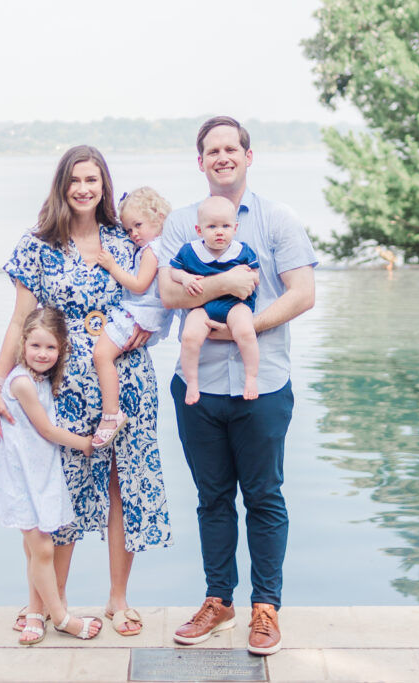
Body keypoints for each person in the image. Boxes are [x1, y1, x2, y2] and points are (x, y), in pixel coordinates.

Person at [0, 146, 172, 639]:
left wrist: (152, 330)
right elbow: (20, 321)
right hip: (64, 386)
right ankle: (53, 602)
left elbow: (161, 292)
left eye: (92, 179)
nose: (84, 188)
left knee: (122, 487)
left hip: (126, 380)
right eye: (75, 179)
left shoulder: (125, 237)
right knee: (59, 489)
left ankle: (118, 599)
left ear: (104, 185)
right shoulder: (37, 245)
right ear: (62, 185)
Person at [156, 116, 317, 656]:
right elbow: (167, 295)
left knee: (265, 496)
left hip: (262, 383)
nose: (222, 156)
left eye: (232, 148)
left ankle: (265, 607)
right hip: (197, 387)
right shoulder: (181, 224)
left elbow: (303, 293)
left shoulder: (277, 219)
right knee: (212, 498)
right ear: (200, 162)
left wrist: (247, 328)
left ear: (249, 156)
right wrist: (225, 284)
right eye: (212, 150)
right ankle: (218, 601)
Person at [0, 307, 103, 644]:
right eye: (35, 346)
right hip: (20, 479)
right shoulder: (22, 383)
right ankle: (60, 617)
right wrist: (86, 444)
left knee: (34, 548)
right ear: (23, 344)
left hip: (37, 475)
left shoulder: (41, 378)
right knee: (44, 548)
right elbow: (46, 430)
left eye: (50, 347)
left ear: (61, 349)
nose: (42, 354)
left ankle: (35, 612)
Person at [91, 187, 174, 448]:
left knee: (101, 355)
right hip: (146, 314)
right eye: (128, 230)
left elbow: (139, 285)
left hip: (138, 313)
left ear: (158, 217)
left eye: (138, 225)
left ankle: (111, 414)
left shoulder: (152, 250)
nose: (133, 234)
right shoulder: (164, 246)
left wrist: (111, 266)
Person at [169, 195, 260, 406]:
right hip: (203, 305)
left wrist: (249, 277)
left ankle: (251, 377)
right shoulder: (190, 251)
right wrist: (185, 278)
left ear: (235, 228)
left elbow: (255, 276)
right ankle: (192, 382)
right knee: (189, 337)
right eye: (212, 226)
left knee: (246, 331)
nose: (219, 231)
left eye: (225, 226)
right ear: (199, 230)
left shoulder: (242, 251)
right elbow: (174, 271)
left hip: (235, 304)